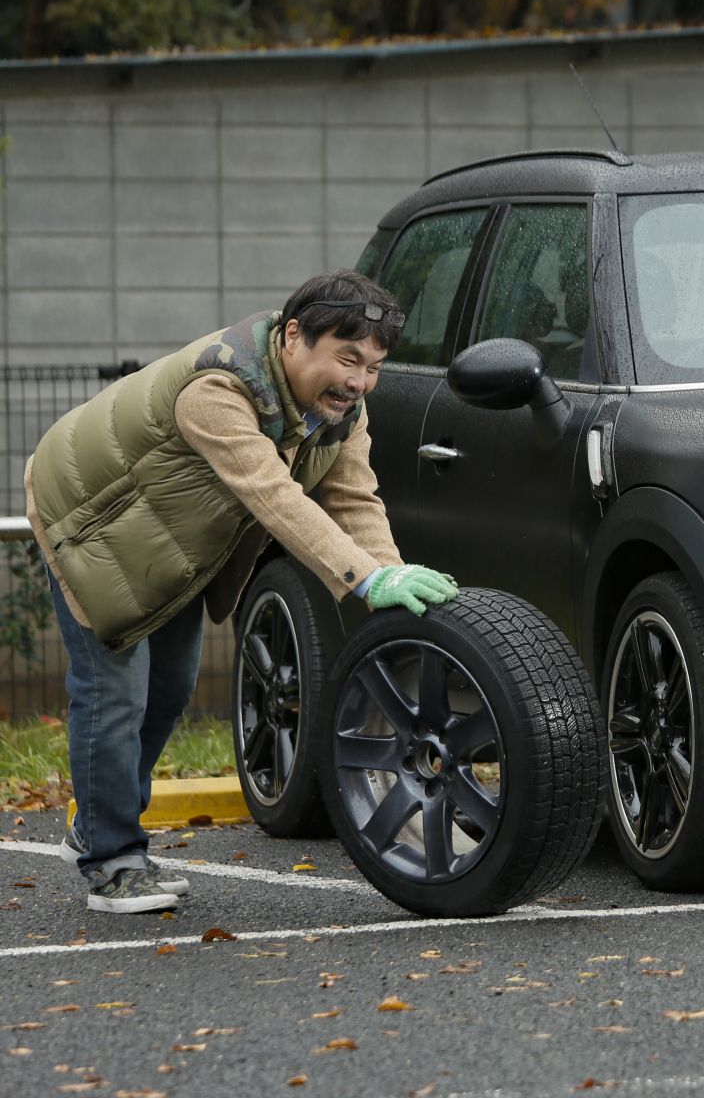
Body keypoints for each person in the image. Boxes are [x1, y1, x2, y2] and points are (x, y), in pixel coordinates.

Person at [25, 270, 458, 914]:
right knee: (113, 693)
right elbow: (274, 496)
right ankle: (113, 857)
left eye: (372, 366)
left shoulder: (341, 413)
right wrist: (361, 576)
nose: (359, 381)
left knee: (170, 689)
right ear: (292, 338)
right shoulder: (218, 390)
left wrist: (389, 579)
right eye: (346, 359)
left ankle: (96, 819)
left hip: (170, 538)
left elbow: (353, 500)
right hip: (90, 522)